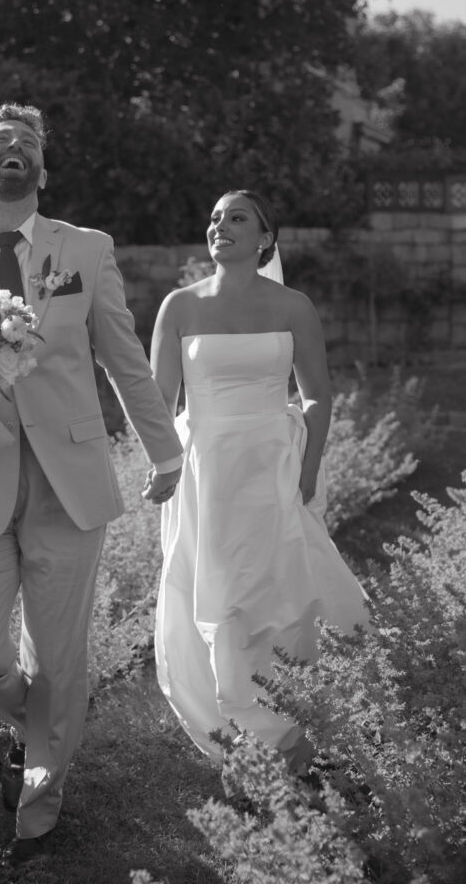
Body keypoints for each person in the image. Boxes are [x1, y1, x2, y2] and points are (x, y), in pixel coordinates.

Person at [0, 102, 183, 866]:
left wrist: (166, 452)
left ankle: (37, 812)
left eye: (29, 142)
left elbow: (122, 357)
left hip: (69, 484)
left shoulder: (84, 248)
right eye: (0, 140)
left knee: (59, 661)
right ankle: (38, 726)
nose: (15, 147)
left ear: (41, 168)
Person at [151, 189, 370, 776]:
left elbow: (317, 392)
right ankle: (236, 734)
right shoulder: (179, 307)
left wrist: (310, 464)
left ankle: (288, 729)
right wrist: (164, 464)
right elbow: (156, 401)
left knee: (277, 594)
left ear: (266, 238)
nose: (220, 225)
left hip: (272, 464)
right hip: (207, 473)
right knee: (219, 596)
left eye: (237, 218)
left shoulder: (294, 306)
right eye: (215, 216)